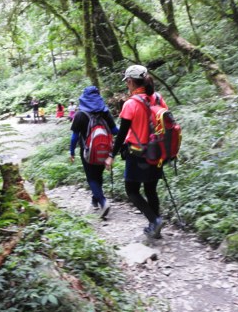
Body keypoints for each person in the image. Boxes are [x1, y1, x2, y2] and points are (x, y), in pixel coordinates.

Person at [104, 65, 166, 239]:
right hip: (157, 152)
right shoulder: (158, 98)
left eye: (127, 82)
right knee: (151, 189)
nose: (127, 85)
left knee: (131, 190)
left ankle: (155, 221)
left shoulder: (130, 104)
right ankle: (155, 228)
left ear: (131, 81)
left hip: (138, 154)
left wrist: (111, 156)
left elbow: (121, 134)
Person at [70, 86, 119, 219]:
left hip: (87, 151)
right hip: (104, 150)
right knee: (98, 175)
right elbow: (115, 131)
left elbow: (75, 136)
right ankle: (95, 199)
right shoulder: (105, 112)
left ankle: (102, 201)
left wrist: (72, 151)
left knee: (91, 177)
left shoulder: (80, 114)